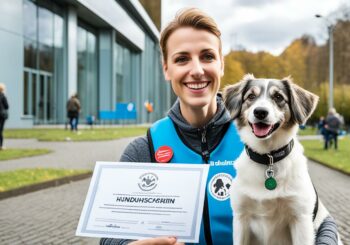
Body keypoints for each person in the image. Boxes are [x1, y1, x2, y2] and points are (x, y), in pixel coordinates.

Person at [101, 8, 339, 245]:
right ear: (166, 68)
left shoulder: (267, 142)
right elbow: (110, 235)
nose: (196, 70)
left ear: (221, 65)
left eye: (207, 56)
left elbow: (321, 219)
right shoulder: (146, 148)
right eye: (182, 58)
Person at [0, 83, 9, 150]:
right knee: (0, 130)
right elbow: (7, 106)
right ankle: (1, 146)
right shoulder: (3, 96)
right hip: (2, 115)